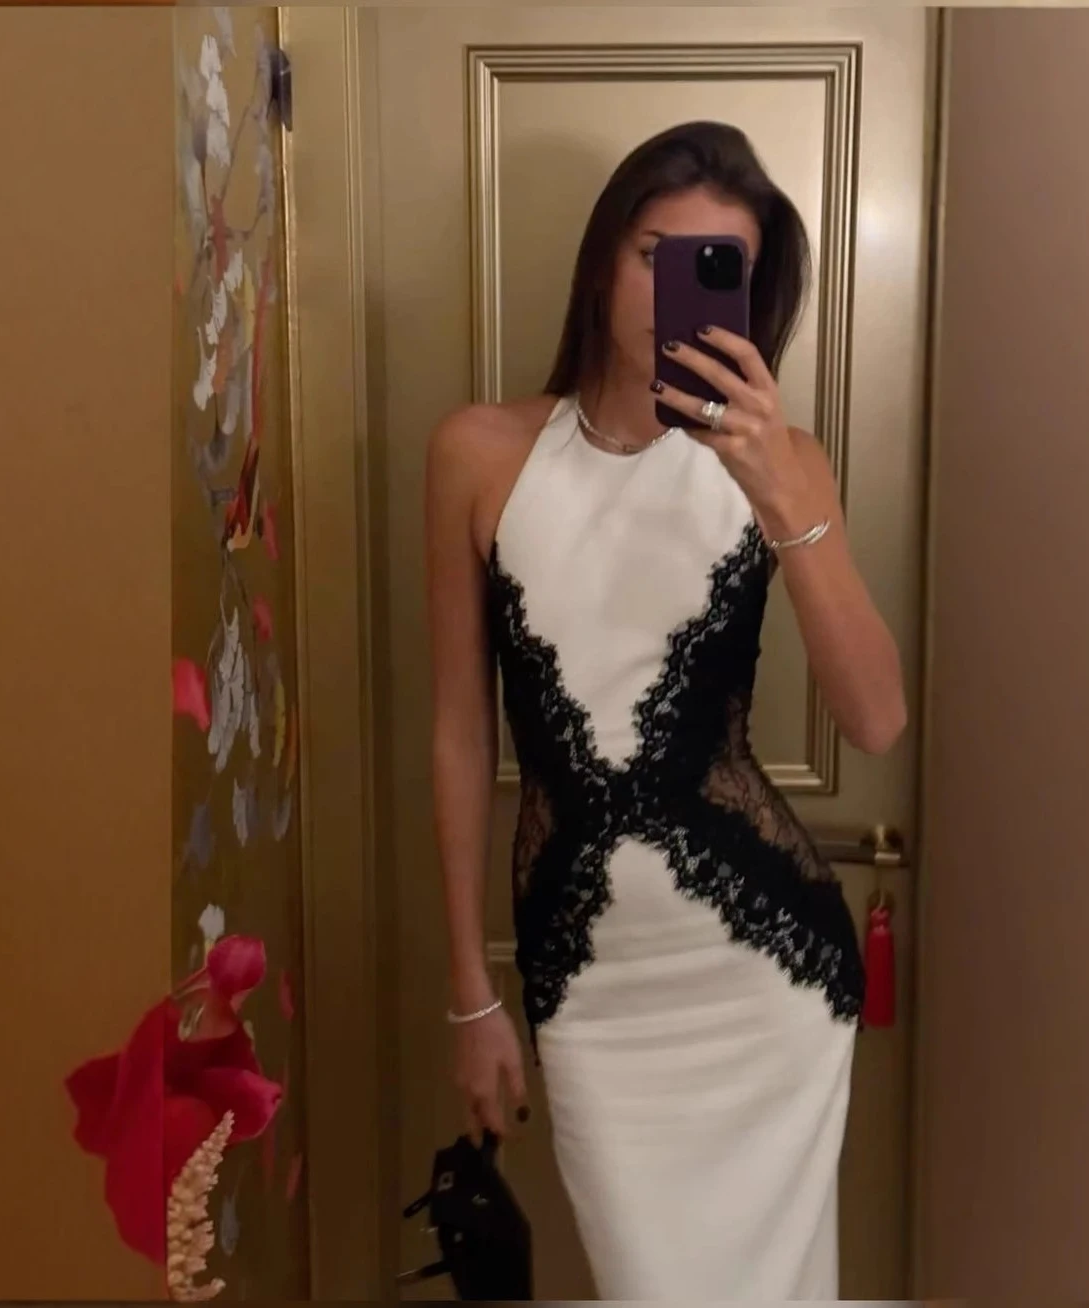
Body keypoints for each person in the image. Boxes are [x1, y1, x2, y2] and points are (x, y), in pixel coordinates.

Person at [424, 120, 906, 1301]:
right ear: (603, 258)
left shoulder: (787, 463)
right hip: (592, 993)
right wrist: (471, 992)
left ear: (747, 293)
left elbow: (877, 719)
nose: (668, 290)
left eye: (713, 266)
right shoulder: (478, 454)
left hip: (768, 982)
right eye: (654, 253)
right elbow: (459, 731)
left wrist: (785, 499)